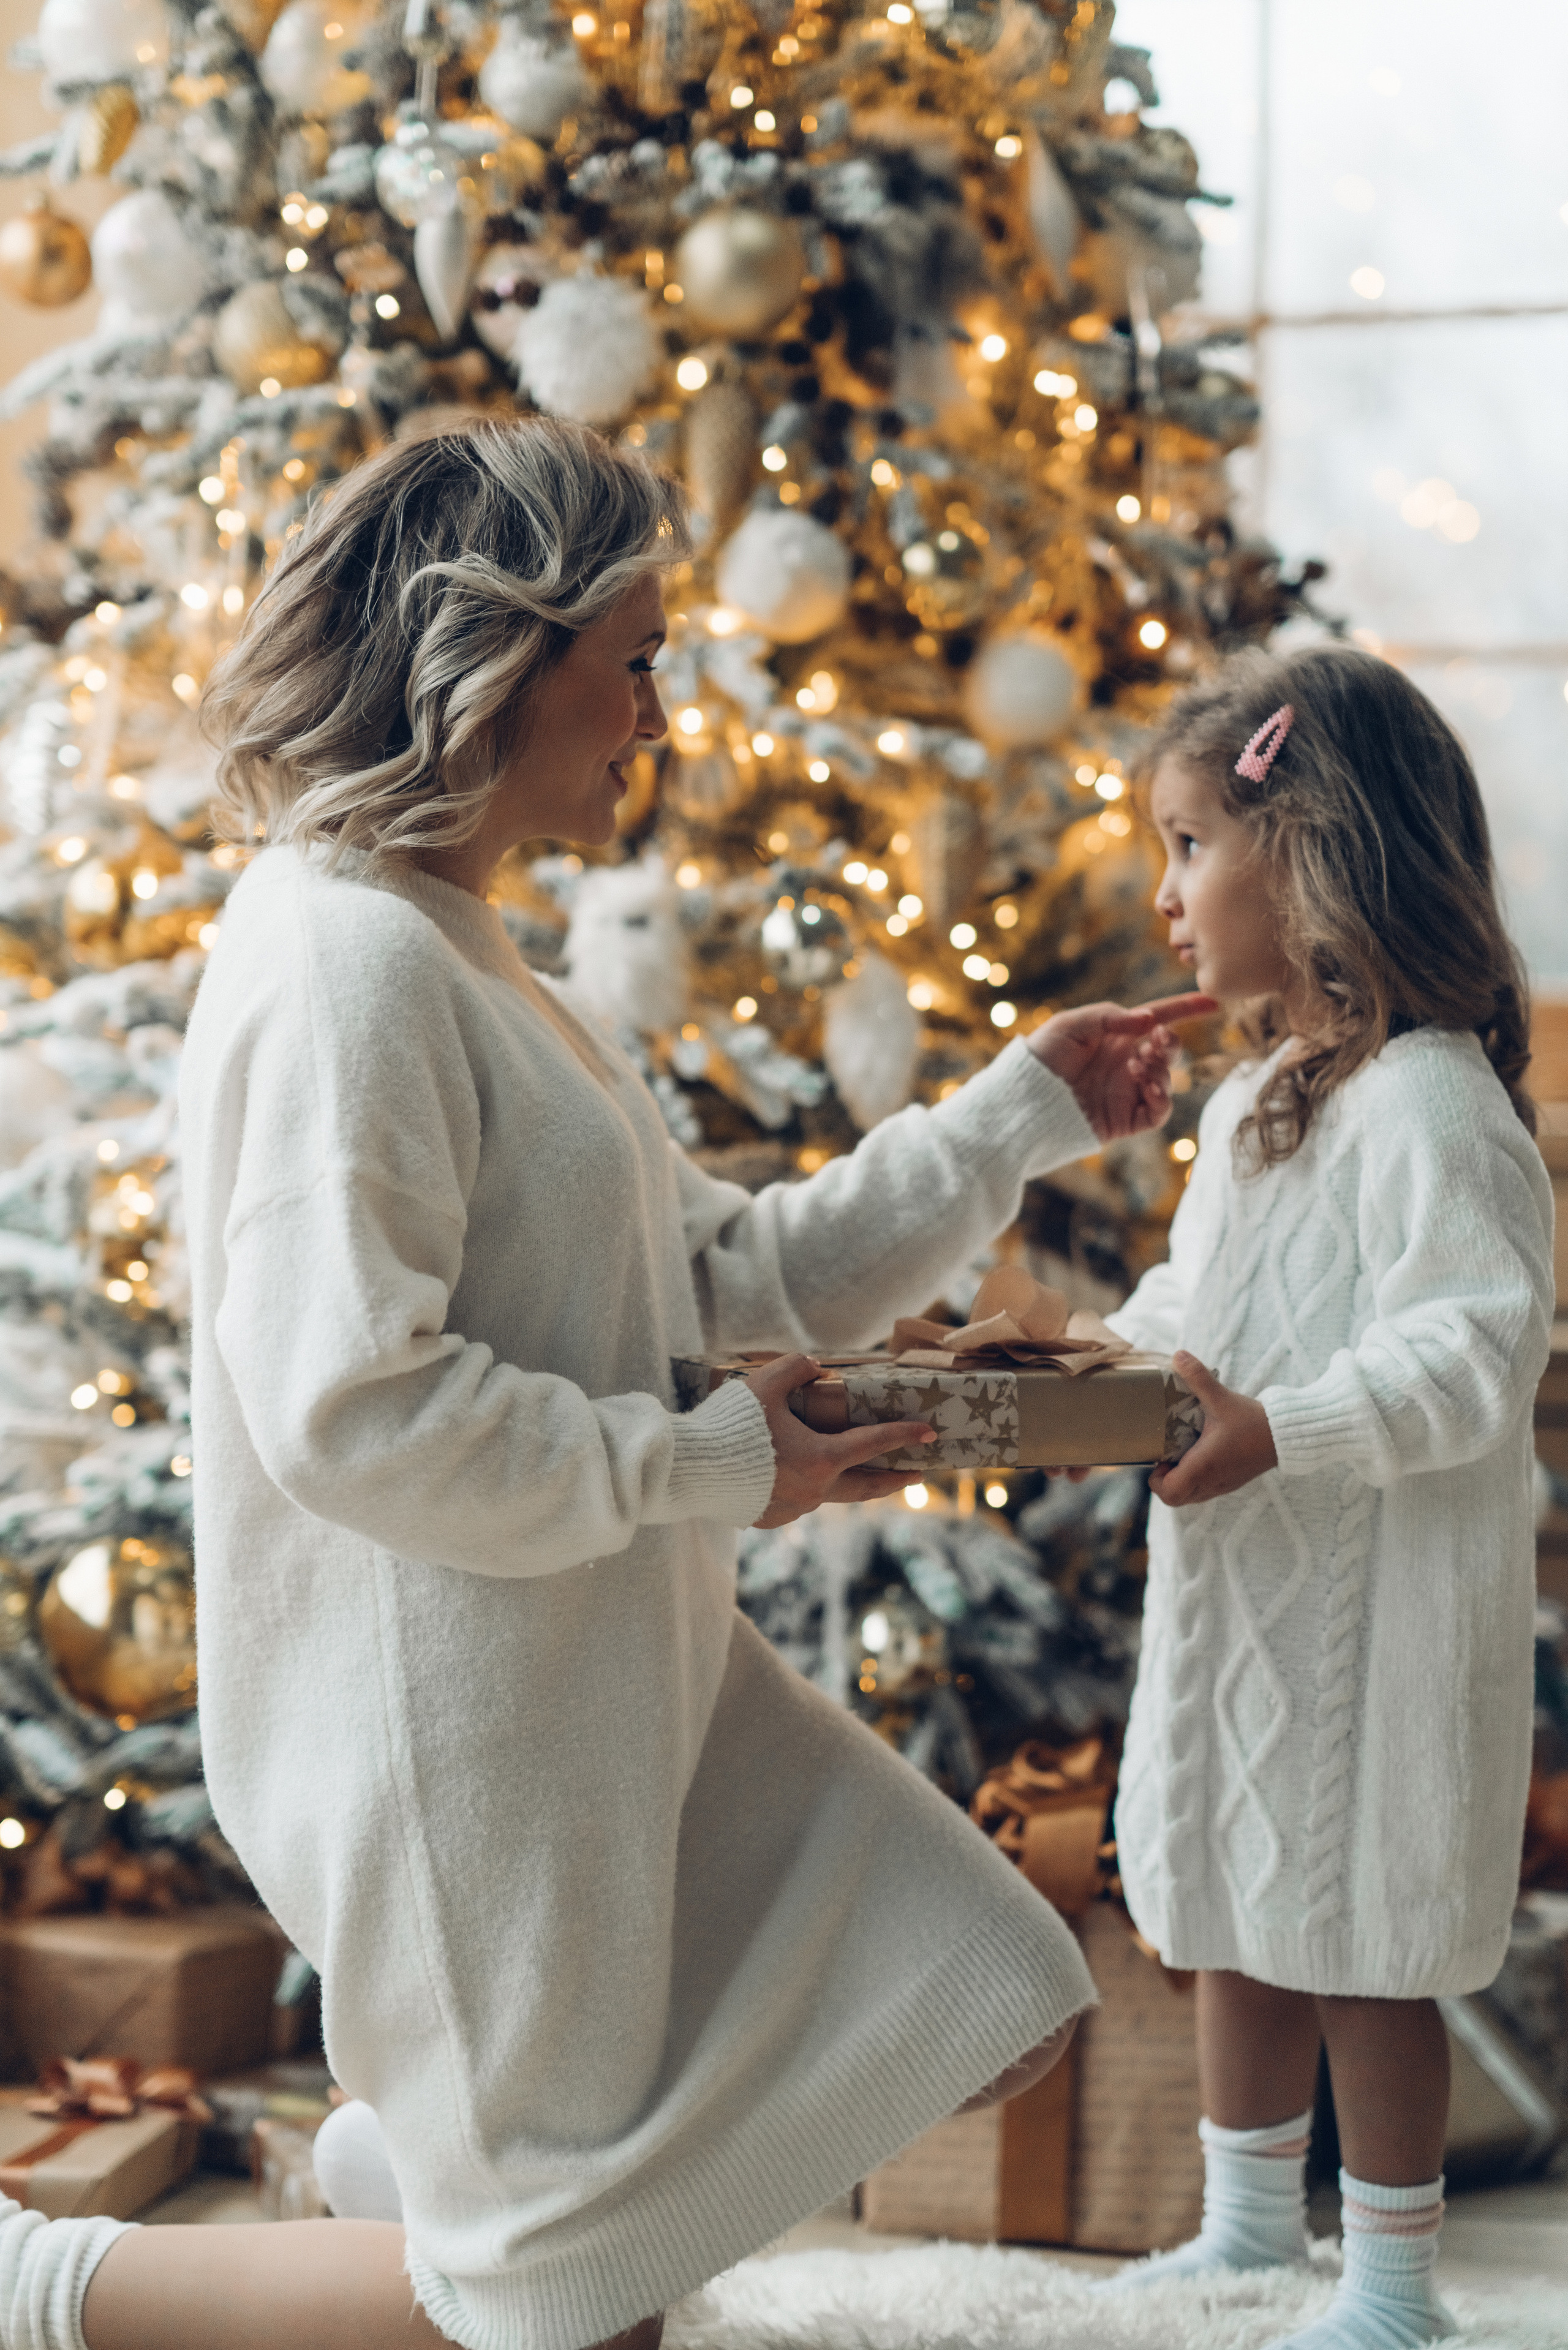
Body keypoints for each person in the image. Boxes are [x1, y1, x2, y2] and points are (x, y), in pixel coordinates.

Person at [0, 417, 1212, 2350]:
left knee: (965, 1982)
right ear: (497, 658)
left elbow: (724, 1270)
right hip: (463, 1732)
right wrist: (710, 1463)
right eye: (635, 660)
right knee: (573, 2314)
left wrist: (1018, 1118)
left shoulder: (462, 951)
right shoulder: (342, 966)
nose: (659, 715)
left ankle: (433, 2183)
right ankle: (68, 2283)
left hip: (612, 1676)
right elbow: (348, 1408)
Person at [1094, 647, 1554, 2348]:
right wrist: (1076, 1357)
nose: (1165, 892)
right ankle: (1240, 2232)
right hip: (1250, 1603)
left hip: (1382, 1621)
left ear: (1314, 854)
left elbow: (1475, 1354)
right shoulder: (1256, 1108)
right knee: (1235, 1900)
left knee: (1367, 1939)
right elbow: (1189, 1319)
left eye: (1187, 844)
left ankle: (1393, 2285)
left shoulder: (1432, 1105)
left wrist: (1288, 1428)